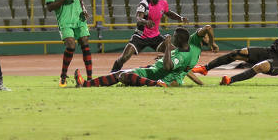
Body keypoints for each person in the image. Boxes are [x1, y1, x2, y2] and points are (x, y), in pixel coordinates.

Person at [75, 25, 219, 87]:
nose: (172, 37)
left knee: (123, 76)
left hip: (156, 75)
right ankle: (85, 84)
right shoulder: (193, 45)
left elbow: (169, 67)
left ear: (179, 40)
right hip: (155, 70)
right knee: (121, 74)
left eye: (174, 36)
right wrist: (212, 43)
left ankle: (156, 85)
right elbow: (207, 28)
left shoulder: (182, 56)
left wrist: (167, 48)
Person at [110, 0, 188, 72]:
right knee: (124, 57)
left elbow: (168, 13)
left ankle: (178, 74)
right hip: (140, 37)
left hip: (155, 37)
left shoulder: (163, 3)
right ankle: (113, 74)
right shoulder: (144, 3)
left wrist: (180, 18)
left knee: (175, 52)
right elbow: (138, 19)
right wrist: (145, 22)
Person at [45, 0, 92, 87]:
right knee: (71, 45)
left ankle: (90, 78)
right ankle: (63, 76)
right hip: (65, 21)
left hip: (79, 19)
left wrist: (84, 9)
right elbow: (49, 7)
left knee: (85, 43)